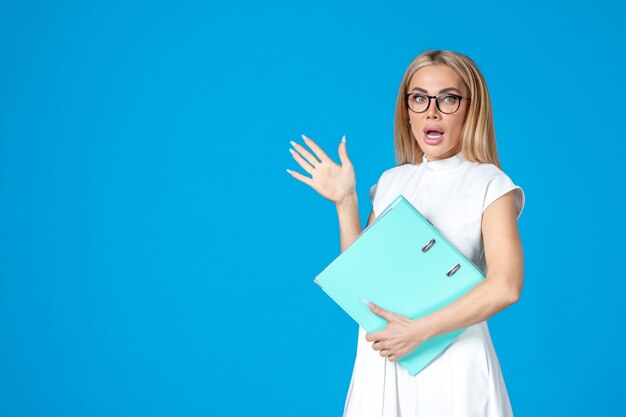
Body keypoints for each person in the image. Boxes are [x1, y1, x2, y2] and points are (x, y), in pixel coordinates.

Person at [286, 49, 524, 417]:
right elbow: (363, 280)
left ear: (471, 108)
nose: (431, 111)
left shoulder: (491, 184)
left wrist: (419, 331)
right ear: (407, 110)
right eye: (419, 98)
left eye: (447, 98)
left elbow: (505, 286)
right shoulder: (392, 181)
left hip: (452, 358)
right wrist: (346, 201)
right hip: (387, 358)